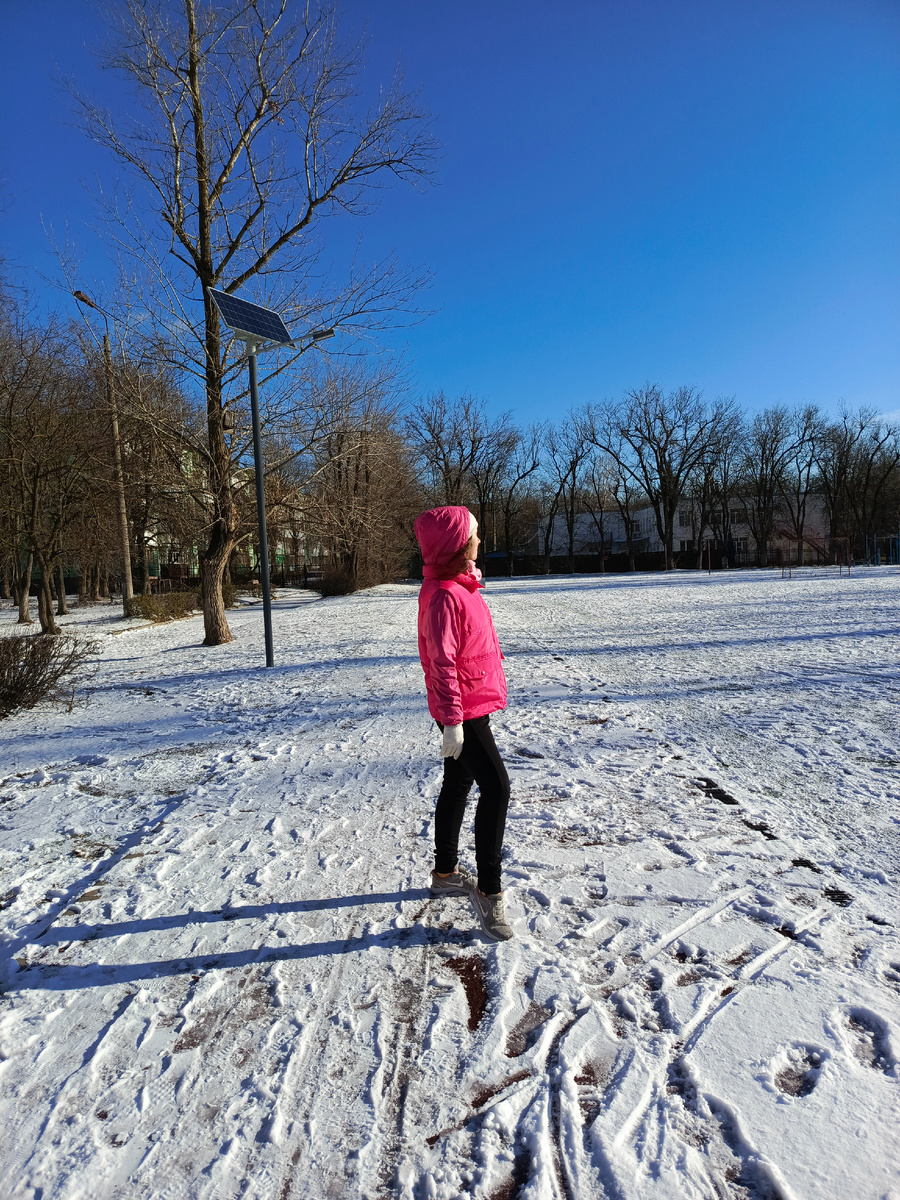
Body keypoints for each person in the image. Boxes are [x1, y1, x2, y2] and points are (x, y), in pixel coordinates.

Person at [414, 505, 513, 942]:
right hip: (462, 710)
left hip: (471, 704)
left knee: (458, 784)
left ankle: (446, 872)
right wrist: (453, 723)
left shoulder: (460, 585)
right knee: (497, 785)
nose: (479, 541)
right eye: (474, 535)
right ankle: (489, 892)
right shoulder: (442, 595)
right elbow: (441, 665)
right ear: (457, 544)